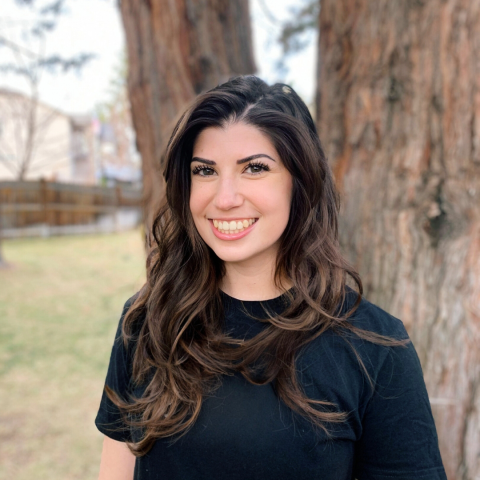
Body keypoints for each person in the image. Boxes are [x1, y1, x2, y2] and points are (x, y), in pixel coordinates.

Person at [95, 76, 447, 480]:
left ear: (300, 181)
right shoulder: (149, 321)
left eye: (255, 169)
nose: (224, 197)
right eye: (205, 171)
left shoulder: (376, 348)